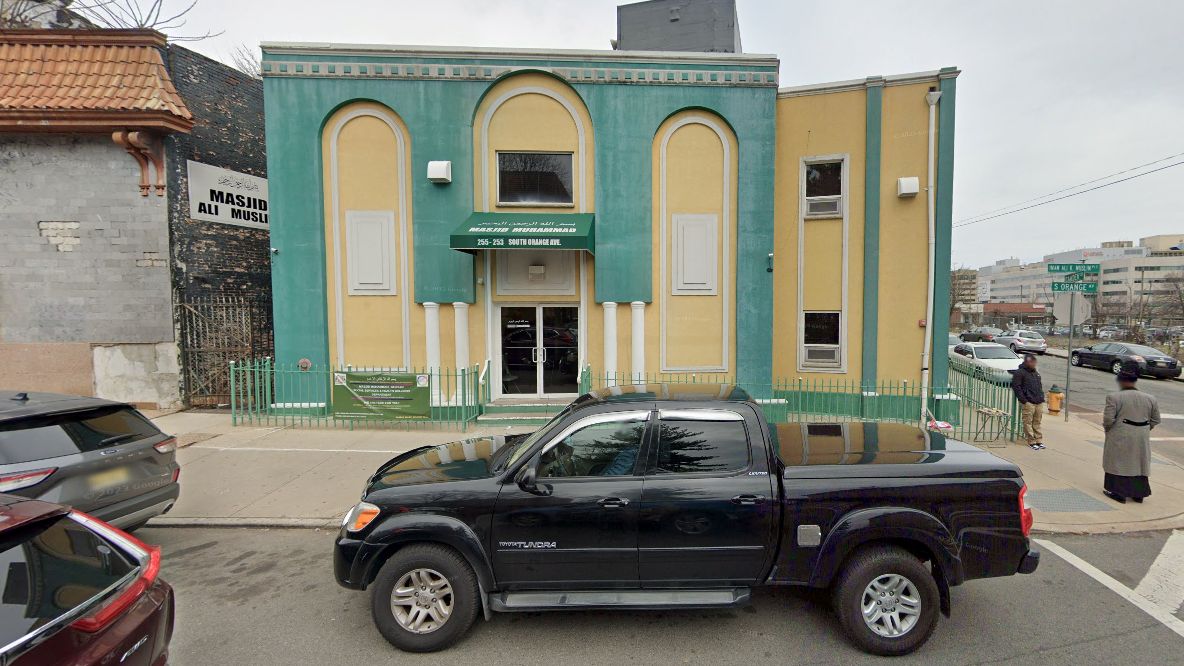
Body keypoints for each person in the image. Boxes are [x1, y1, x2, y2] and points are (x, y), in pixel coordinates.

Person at [1101, 366, 1160, 503]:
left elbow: (1108, 420)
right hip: (1142, 436)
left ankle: (1119, 492)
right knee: (1139, 464)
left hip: (1120, 434)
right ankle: (1139, 494)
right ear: (1135, 381)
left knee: (1118, 463)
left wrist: (1109, 430)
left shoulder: (1114, 397)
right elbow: (1156, 419)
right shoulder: (1150, 398)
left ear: (1121, 381)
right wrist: (1143, 429)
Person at [1010, 354, 1045, 450]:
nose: (1034, 364)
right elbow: (1016, 387)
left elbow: (1039, 386)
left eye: (1034, 362)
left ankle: (1039, 440)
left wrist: (1041, 397)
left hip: (1038, 401)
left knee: (1037, 421)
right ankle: (1031, 440)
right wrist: (1024, 400)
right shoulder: (1020, 373)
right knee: (1028, 422)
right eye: (1031, 362)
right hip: (1028, 402)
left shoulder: (1035, 373)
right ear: (1027, 362)